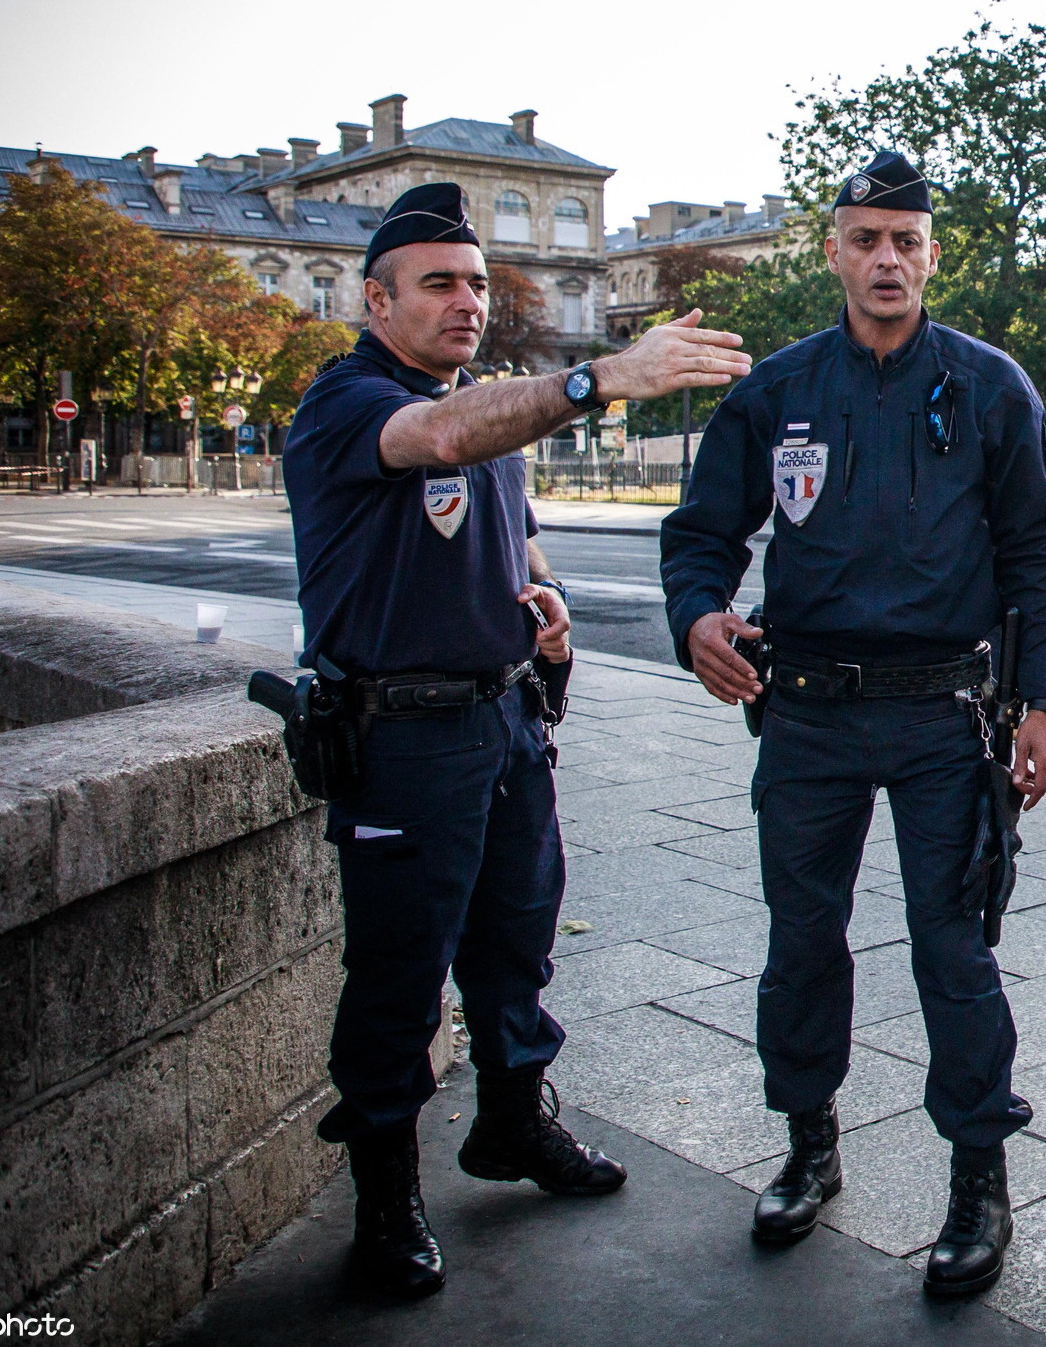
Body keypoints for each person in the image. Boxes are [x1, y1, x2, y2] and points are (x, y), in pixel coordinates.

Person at [284, 180, 751, 1299]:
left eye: (480, 283)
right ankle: (386, 1197)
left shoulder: (490, 408)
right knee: (398, 974)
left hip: (502, 721)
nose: (468, 302)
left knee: (515, 945)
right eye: (440, 282)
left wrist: (542, 601)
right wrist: (595, 379)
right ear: (376, 296)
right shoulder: (349, 401)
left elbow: (510, 529)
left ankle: (511, 1124)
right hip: (400, 736)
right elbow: (437, 437)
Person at [659, 148, 1046, 1297]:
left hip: (945, 714)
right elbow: (700, 534)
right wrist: (696, 616)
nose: (886, 258)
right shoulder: (778, 390)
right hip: (807, 714)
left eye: (906, 240)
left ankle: (977, 1177)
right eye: (865, 238)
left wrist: (1043, 697)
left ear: (933, 254)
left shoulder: (991, 386)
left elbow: (1037, 553)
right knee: (801, 940)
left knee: (954, 948)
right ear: (833, 249)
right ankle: (807, 1144)